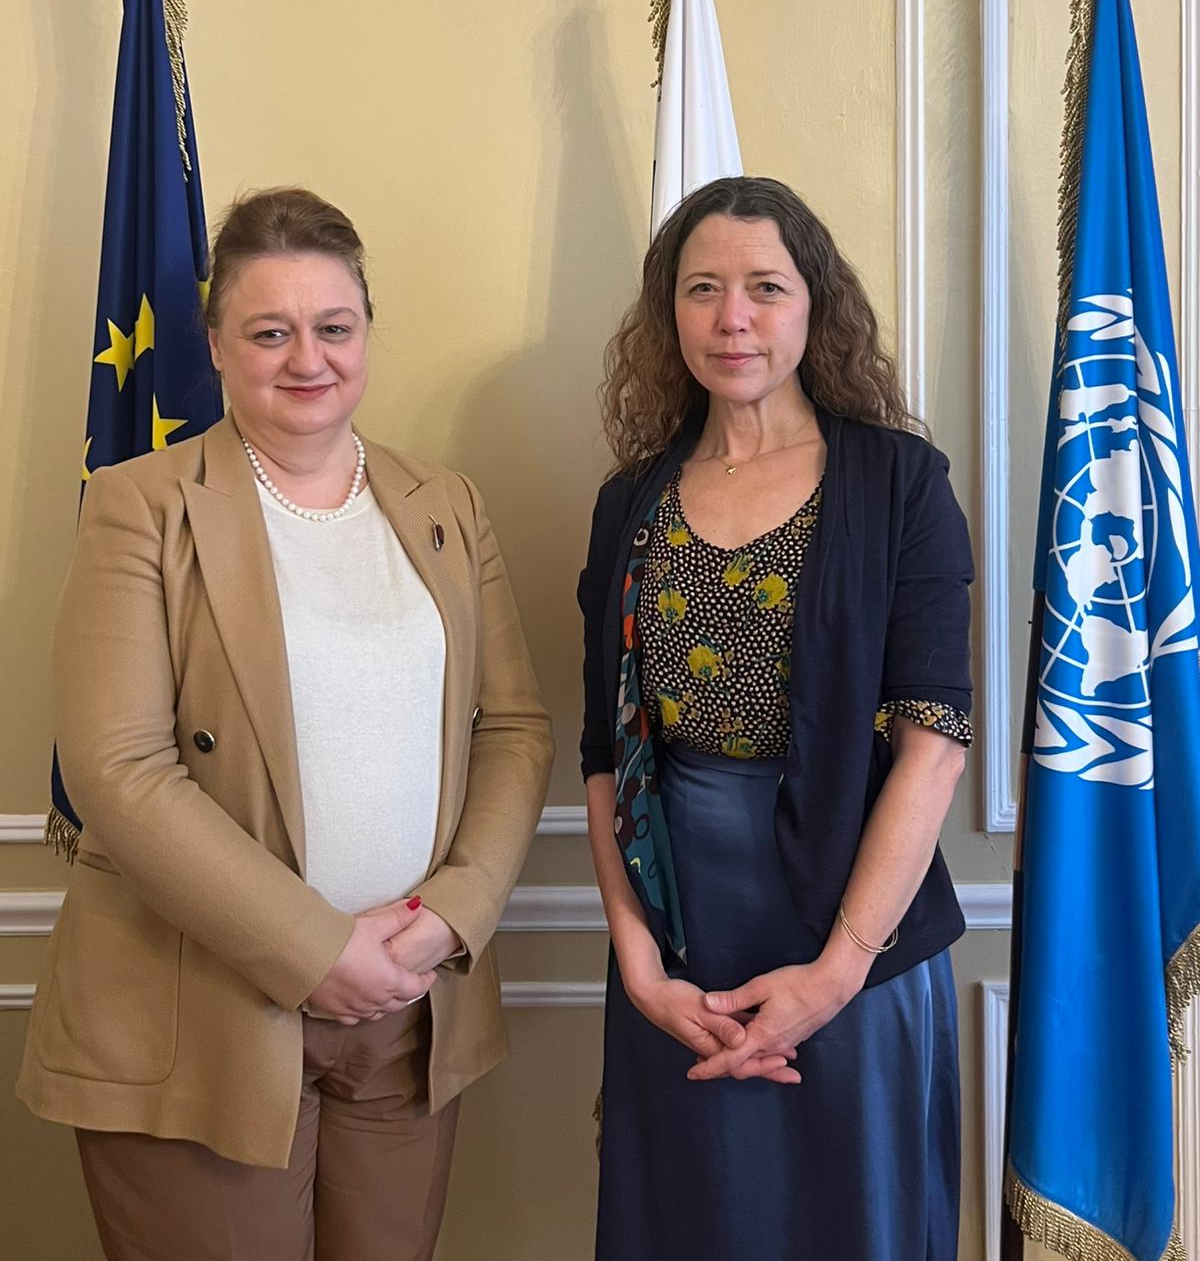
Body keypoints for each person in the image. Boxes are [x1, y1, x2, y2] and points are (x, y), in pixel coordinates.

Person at [19, 187, 554, 1261]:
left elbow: (514, 728)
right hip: (198, 1013)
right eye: (270, 332)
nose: (307, 358)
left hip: (409, 1007)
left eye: (333, 326)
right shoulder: (140, 505)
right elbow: (118, 769)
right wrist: (315, 950)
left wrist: (451, 915)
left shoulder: (445, 503)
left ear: (366, 334)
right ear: (218, 345)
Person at [578, 176, 972, 1261]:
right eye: (702, 288)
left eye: (765, 287)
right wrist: (641, 966)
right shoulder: (629, 502)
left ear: (814, 304)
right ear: (670, 312)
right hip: (677, 944)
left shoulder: (900, 483)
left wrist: (836, 973)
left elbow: (934, 749)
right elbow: (605, 756)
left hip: (858, 935)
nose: (733, 318)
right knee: (690, 1223)